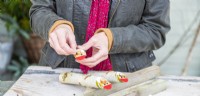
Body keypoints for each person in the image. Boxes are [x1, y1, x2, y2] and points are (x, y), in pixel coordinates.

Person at [29, 0, 170, 73]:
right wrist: (55, 25)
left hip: (125, 80)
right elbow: (39, 10)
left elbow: (155, 29)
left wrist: (112, 39)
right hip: (60, 73)